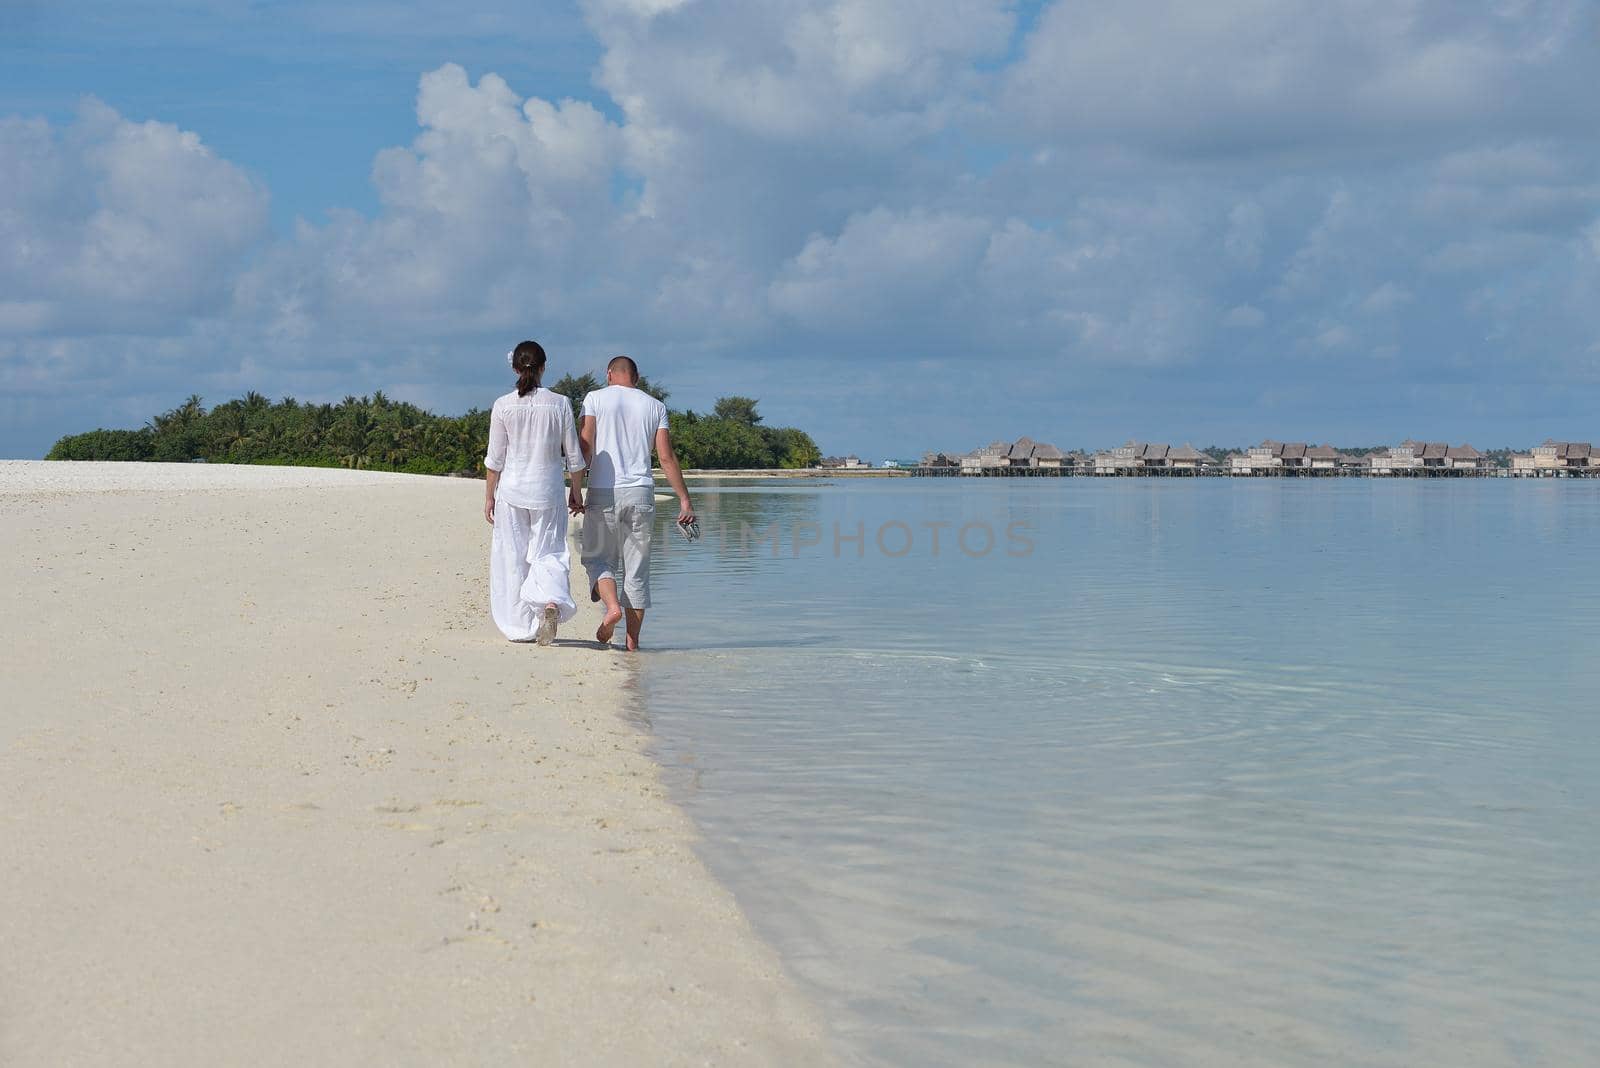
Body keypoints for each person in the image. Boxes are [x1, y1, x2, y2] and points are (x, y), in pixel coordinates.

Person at [579, 355, 694, 650]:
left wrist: (575, 488)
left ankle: (612, 608)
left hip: (603, 490)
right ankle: (632, 645)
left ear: (608, 375)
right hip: (641, 493)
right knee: (637, 571)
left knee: (598, 559)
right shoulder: (655, 406)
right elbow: (666, 457)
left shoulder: (594, 398)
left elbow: (586, 445)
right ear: (637, 377)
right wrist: (684, 500)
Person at [484, 340, 587, 645]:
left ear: (515, 368)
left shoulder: (503, 405)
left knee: (512, 557)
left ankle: (521, 627)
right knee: (549, 553)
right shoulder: (560, 403)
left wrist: (489, 496)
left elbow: (495, 460)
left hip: (512, 491)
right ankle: (550, 603)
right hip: (548, 491)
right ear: (543, 367)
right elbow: (574, 457)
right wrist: (577, 493)